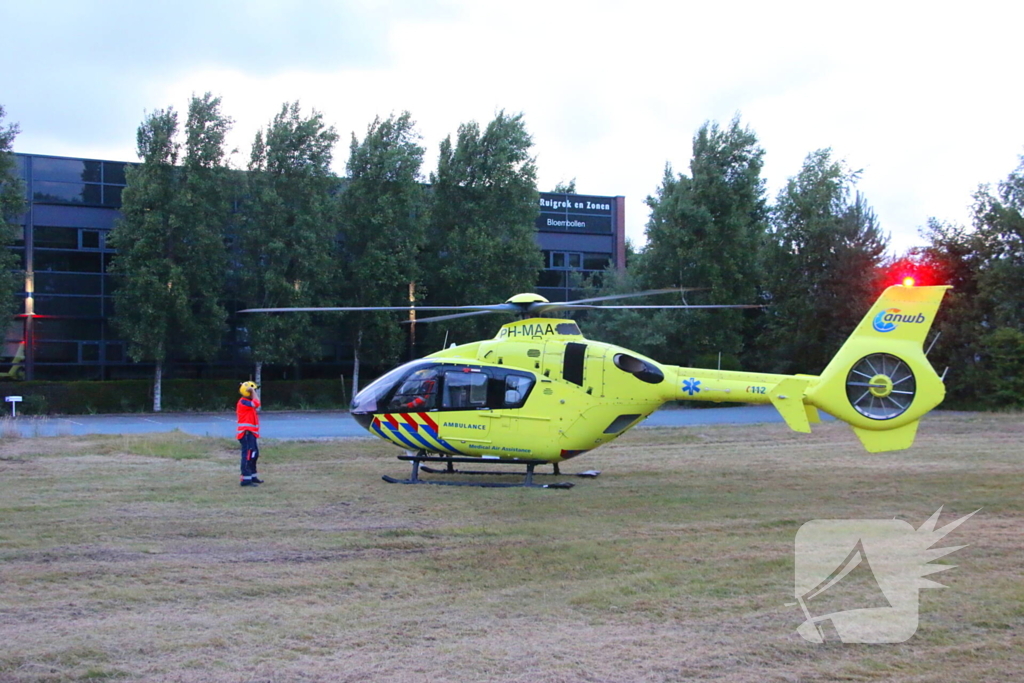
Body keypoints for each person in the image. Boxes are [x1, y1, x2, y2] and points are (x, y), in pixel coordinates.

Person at [237, 381, 262, 487]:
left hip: (251, 434)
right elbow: (257, 403)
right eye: (254, 391)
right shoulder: (243, 402)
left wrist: (251, 391)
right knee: (247, 456)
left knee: (254, 455)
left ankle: (252, 476)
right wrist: (251, 391)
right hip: (246, 434)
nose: (255, 392)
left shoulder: (247, 401)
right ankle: (245, 480)